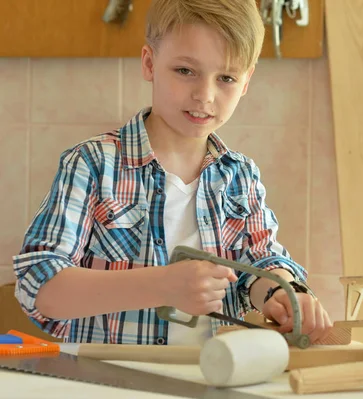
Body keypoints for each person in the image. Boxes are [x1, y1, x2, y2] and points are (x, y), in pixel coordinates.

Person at [12, 0, 332, 345]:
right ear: (150, 63)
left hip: (212, 380)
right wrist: (162, 285)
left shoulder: (240, 176)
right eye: (185, 71)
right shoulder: (92, 163)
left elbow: (261, 261)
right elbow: (39, 284)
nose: (204, 95)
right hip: (108, 384)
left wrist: (281, 293)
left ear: (246, 82)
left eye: (226, 77)